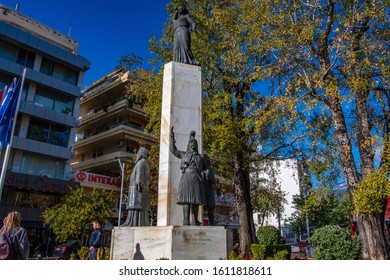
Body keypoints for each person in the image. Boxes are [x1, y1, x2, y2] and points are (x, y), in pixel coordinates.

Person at [170, 127, 206, 225]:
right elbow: (173, 150)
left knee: (195, 200)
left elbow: (205, 168)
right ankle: (185, 220)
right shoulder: (183, 154)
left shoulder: (200, 157)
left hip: (197, 179)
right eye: (191, 143)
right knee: (186, 199)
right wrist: (172, 138)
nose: (193, 144)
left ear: (197, 145)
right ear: (188, 144)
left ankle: (195, 221)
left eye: (194, 143)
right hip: (186, 177)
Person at [122, 147, 151, 226]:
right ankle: (137, 222)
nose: (137, 155)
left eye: (138, 153)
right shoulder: (144, 162)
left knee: (136, 205)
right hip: (141, 188)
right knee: (139, 205)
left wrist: (138, 181)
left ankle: (132, 222)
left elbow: (139, 172)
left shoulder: (140, 163)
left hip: (137, 188)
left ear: (141, 154)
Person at [202, 154, 218, 226]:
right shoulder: (209, 170)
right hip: (208, 189)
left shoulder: (200, 170)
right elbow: (213, 181)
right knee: (210, 208)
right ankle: (211, 223)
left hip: (201, 189)